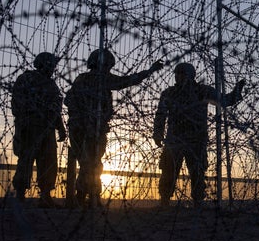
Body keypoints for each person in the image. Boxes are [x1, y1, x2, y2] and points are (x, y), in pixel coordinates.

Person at [65, 49, 163, 208]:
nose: (108, 69)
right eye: (107, 66)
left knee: (91, 162)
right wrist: (88, 117)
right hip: (86, 128)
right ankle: (85, 196)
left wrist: (150, 71)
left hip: (88, 128)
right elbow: (70, 101)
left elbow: (127, 81)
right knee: (90, 162)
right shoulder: (94, 79)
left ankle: (88, 196)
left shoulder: (86, 79)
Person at [153, 63, 245, 207]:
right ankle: (164, 200)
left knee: (197, 172)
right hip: (174, 139)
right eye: (177, 74)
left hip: (196, 139)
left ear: (191, 76)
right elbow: (160, 114)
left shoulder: (202, 91)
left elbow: (224, 101)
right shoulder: (169, 93)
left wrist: (236, 92)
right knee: (169, 170)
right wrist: (157, 133)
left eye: (182, 74)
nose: (178, 77)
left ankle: (198, 201)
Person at [11, 52, 66, 207]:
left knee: (48, 162)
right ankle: (20, 194)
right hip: (30, 126)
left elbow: (55, 109)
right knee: (26, 160)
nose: (53, 68)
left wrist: (60, 127)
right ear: (43, 64)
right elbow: (17, 103)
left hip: (47, 129)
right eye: (51, 65)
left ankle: (45, 195)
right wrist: (29, 117)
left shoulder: (51, 84)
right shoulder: (27, 79)